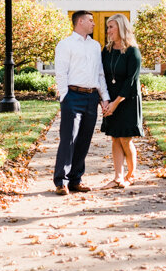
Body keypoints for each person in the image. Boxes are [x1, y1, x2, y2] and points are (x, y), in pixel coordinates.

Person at [53, 10, 110, 195]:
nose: (94, 24)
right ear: (80, 22)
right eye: (90, 21)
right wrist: (65, 96)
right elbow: (61, 72)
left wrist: (104, 97)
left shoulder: (95, 46)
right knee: (68, 139)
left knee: (84, 139)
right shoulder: (65, 44)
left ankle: (76, 180)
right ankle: (61, 180)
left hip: (91, 97)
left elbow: (100, 74)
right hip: (73, 96)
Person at [100, 13, 144, 189]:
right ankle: (117, 177)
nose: (108, 30)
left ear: (121, 28)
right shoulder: (107, 50)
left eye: (111, 27)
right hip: (110, 99)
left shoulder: (133, 51)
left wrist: (115, 104)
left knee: (125, 139)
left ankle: (131, 175)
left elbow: (130, 81)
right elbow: (101, 75)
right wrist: (104, 101)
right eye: (108, 27)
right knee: (115, 138)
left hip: (127, 99)